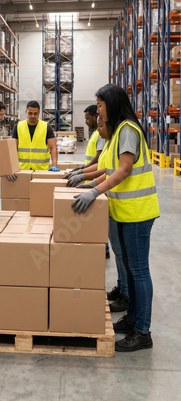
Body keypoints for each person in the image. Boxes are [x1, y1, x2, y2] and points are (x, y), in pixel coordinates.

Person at [71, 84, 160, 352]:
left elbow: (124, 170)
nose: (97, 112)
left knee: (139, 271)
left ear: (111, 104)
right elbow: (108, 168)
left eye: (99, 106)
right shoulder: (116, 134)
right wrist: (87, 181)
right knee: (131, 270)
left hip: (137, 212)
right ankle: (132, 319)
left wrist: (95, 190)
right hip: (123, 211)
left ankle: (142, 331)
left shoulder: (128, 131)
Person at [74, 115, 129, 312]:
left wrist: (93, 186)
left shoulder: (121, 139)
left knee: (124, 256)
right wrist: (86, 177)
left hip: (129, 207)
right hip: (114, 202)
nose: (97, 129)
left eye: (100, 125)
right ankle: (122, 288)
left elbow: (116, 170)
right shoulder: (108, 142)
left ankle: (126, 294)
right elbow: (106, 169)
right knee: (118, 252)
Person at [65, 105, 110, 258]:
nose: (85, 122)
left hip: (99, 180)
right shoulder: (96, 133)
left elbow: (102, 162)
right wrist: (82, 170)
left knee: (99, 218)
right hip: (94, 177)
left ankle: (103, 247)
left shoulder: (102, 135)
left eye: (87, 118)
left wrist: (83, 174)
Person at [11, 100, 59, 172]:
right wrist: (12, 167)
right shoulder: (18, 127)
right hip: (22, 169)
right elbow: (13, 149)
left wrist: (54, 165)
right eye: (30, 113)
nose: (32, 116)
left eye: (35, 113)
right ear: (26, 112)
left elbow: (53, 147)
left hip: (41, 169)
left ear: (39, 113)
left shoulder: (46, 127)